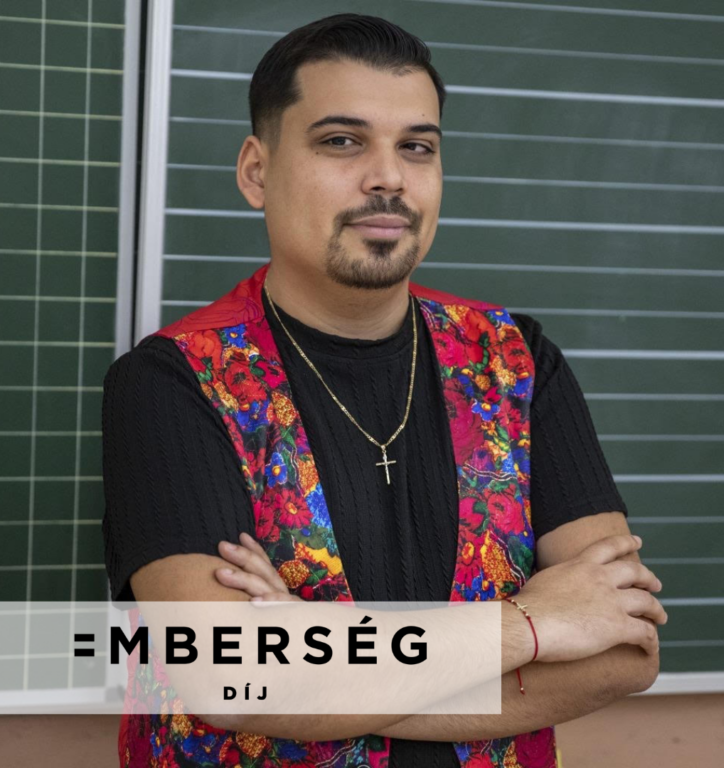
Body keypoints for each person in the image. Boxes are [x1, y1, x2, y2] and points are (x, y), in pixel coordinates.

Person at [101, 13, 666, 768]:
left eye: (417, 147)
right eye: (342, 141)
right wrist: (532, 625)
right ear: (257, 172)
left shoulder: (517, 363)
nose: (389, 178)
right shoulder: (173, 382)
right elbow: (230, 676)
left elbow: (625, 651)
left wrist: (319, 666)